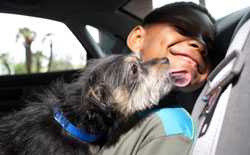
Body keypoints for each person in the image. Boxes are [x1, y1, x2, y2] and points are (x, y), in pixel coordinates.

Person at [99, 2, 216, 155]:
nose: (200, 45)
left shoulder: (172, 127)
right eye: (183, 29)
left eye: (208, 46)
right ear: (138, 38)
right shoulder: (108, 103)